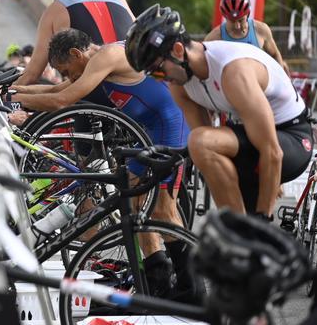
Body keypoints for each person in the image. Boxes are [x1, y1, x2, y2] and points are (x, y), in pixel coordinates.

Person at [12, 28, 194, 298]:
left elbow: (62, 100)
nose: (67, 76)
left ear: (76, 53)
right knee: (133, 204)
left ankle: (191, 286)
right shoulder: (93, 62)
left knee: (162, 208)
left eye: (66, 69)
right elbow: (60, 88)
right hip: (149, 131)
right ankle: (159, 280)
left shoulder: (107, 56)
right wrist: (15, 89)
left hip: (171, 125)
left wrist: (13, 101)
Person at [125, 4, 312, 220]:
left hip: (291, 137)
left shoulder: (232, 71)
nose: (161, 79)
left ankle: (243, 232)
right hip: (246, 135)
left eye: (158, 71)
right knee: (202, 145)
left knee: (200, 142)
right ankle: (236, 233)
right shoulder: (180, 84)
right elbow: (207, 149)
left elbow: (273, 153)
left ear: (178, 50)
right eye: (153, 76)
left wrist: (263, 219)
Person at [15, 0, 135, 96]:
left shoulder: (54, 10)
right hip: (134, 83)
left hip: (93, 94)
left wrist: (3, 94)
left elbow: (32, 74)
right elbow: (136, 33)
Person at [204, 0, 290, 74]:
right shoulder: (213, 38)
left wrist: (282, 78)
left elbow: (275, 54)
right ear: (225, 17)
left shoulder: (261, 30)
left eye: (241, 20)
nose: (237, 26)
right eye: (232, 21)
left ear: (248, 14)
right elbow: (203, 63)